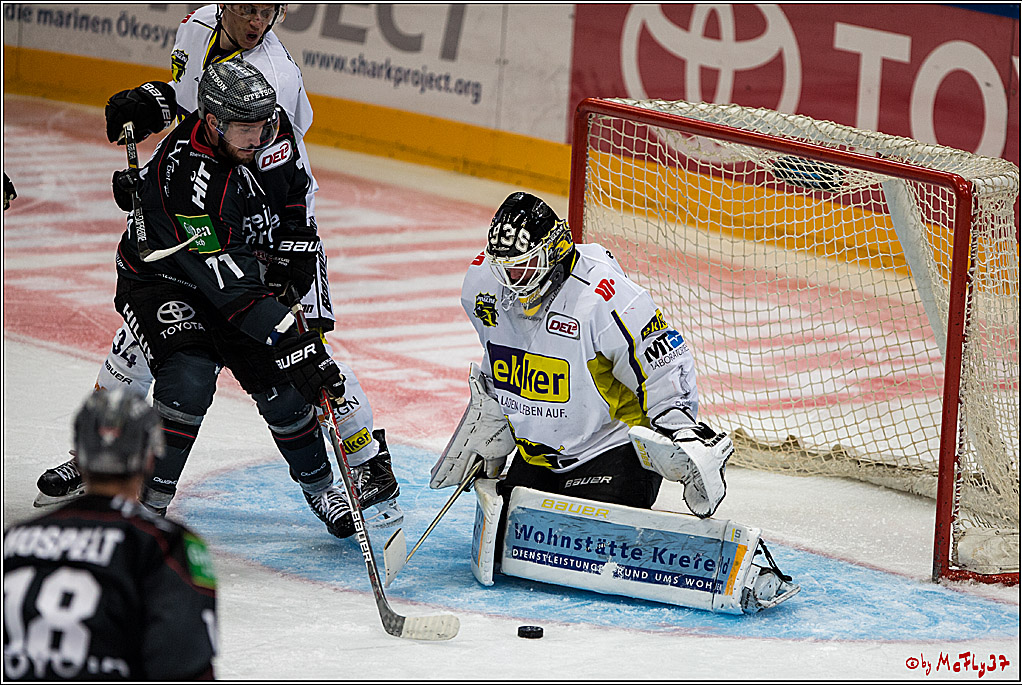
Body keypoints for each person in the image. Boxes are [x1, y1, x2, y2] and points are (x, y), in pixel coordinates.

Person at [34, 4, 400, 529]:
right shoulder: (192, 167)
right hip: (178, 269)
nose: (257, 20)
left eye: (267, 10)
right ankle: (116, 469)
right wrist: (153, 101)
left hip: (257, 237)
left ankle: (357, 469)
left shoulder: (268, 98)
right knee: (181, 366)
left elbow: (290, 181)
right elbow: (225, 282)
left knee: (290, 372)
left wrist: (295, 246)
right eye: (247, 8)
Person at [431, 192, 733, 518]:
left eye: (524, 266)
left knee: (584, 538)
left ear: (554, 251)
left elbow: (663, 363)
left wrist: (678, 429)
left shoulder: (603, 296)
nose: (513, 281)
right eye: (506, 268)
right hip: (539, 457)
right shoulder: (483, 283)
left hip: (611, 451)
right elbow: (500, 350)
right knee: (513, 536)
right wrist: (493, 410)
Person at [2, 389, 217, 680]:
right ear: (150, 457)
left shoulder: (13, 540)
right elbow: (184, 665)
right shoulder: (165, 545)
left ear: (80, 454)